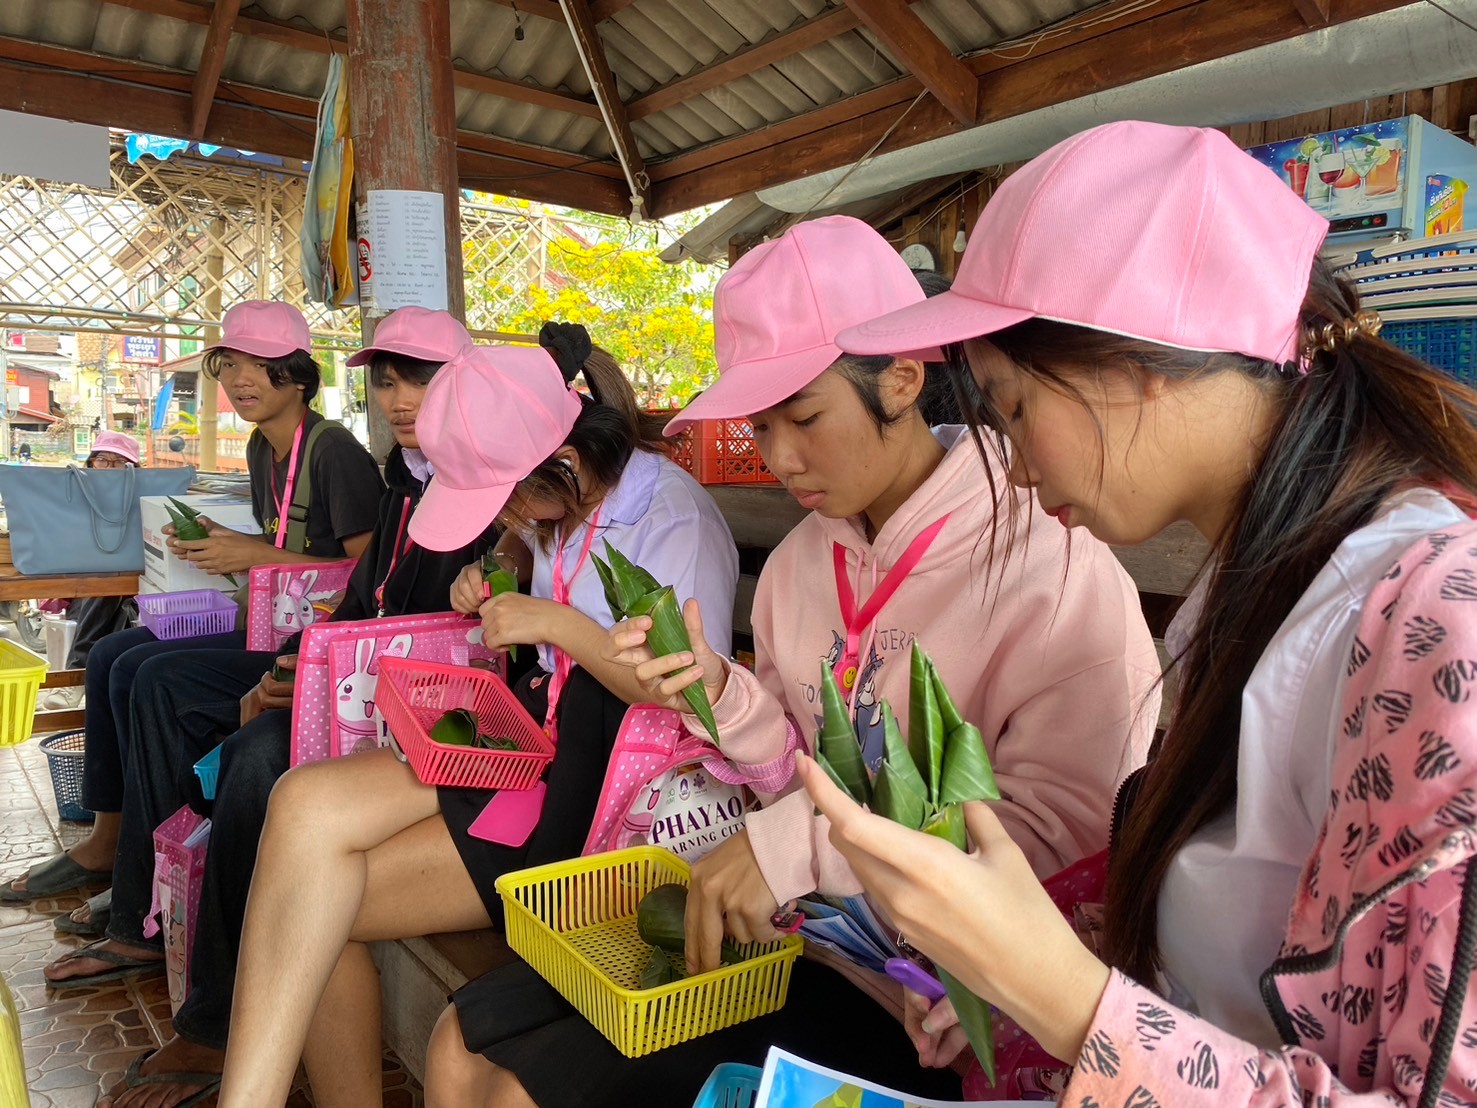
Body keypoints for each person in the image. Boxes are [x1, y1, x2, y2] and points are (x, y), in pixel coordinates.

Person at [797, 119, 1477, 1105]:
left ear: (1136, 361)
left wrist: (1064, 996)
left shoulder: (1439, 626)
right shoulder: (1248, 589)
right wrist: (1025, 966)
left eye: (1012, 408)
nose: (1015, 471)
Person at [421, 216, 1160, 1107]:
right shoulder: (800, 565)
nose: (779, 458)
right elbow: (786, 766)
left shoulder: (1049, 562)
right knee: (459, 1041)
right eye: (760, 426)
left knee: (522, 1090)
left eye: (803, 418)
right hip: (796, 941)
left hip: (937, 1003)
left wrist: (792, 847)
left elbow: (1061, 843)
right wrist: (719, 692)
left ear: (901, 378)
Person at [213, 330, 739, 1108]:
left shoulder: (669, 516)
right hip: (531, 742)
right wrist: (488, 573)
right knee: (300, 801)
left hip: (602, 794)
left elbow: (688, 696)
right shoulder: (561, 504)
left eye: (507, 499)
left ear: (563, 460)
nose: (508, 517)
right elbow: (527, 561)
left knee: (316, 912)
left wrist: (557, 626)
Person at [87, 307, 474, 1108]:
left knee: (259, 755)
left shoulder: (461, 486)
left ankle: (215, 1017)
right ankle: (148, 906)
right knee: (150, 673)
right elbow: (365, 602)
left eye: (422, 381)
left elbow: (443, 632)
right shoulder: (406, 477)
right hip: (368, 687)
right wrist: (293, 670)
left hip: (439, 721)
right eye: (388, 383)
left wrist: (312, 666)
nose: (401, 401)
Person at [2, 302, 382, 917]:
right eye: (229, 364)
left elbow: (367, 576)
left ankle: (149, 885)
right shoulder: (262, 448)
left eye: (260, 365)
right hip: (272, 623)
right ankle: (108, 841)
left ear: (298, 375)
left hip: (315, 647)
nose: (240, 379)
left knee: (151, 675)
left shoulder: (333, 450)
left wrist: (252, 554)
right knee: (109, 655)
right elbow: (288, 548)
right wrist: (225, 541)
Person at [41, 432, 147, 712]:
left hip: (134, 590)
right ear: (90, 463)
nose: (110, 468)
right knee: (105, 587)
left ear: (134, 470)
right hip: (88, 590)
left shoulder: (145, 499)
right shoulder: (72, 497)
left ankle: (78, 677)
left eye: (120, 462)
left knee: (118, 592)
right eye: (103, 460)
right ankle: (80, 679)